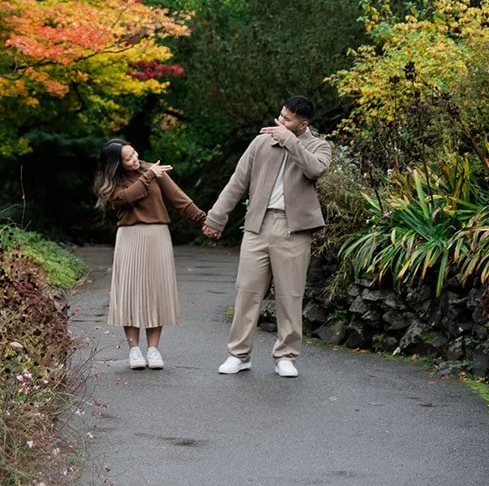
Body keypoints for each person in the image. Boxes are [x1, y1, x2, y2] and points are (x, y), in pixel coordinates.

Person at [202, 95, 331, 379]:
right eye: (281, 115)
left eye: (287, 119)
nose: (280, 122)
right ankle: (239, 354)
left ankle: (286, 355)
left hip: (294, 229)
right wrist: (216, 217)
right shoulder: (261, 142)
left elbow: (315, 169)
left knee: (290, 294)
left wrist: (288, 140)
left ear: (303, 124)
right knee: (246, 291)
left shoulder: (318, 146)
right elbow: (237, 182)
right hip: (258, 225)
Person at [94, 138, 208, 370]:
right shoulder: (114, 184)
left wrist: (206, 220)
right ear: (117, 165)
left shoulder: (153, 170)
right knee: (131, 293)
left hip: (158, 235)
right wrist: (149, 176)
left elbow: (180, 199)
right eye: (129, 159)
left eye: (135, 154)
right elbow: (125, 198)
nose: (135, 159)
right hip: (129, 237)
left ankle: (153, 349)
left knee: (157, 291)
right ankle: (134, 350)